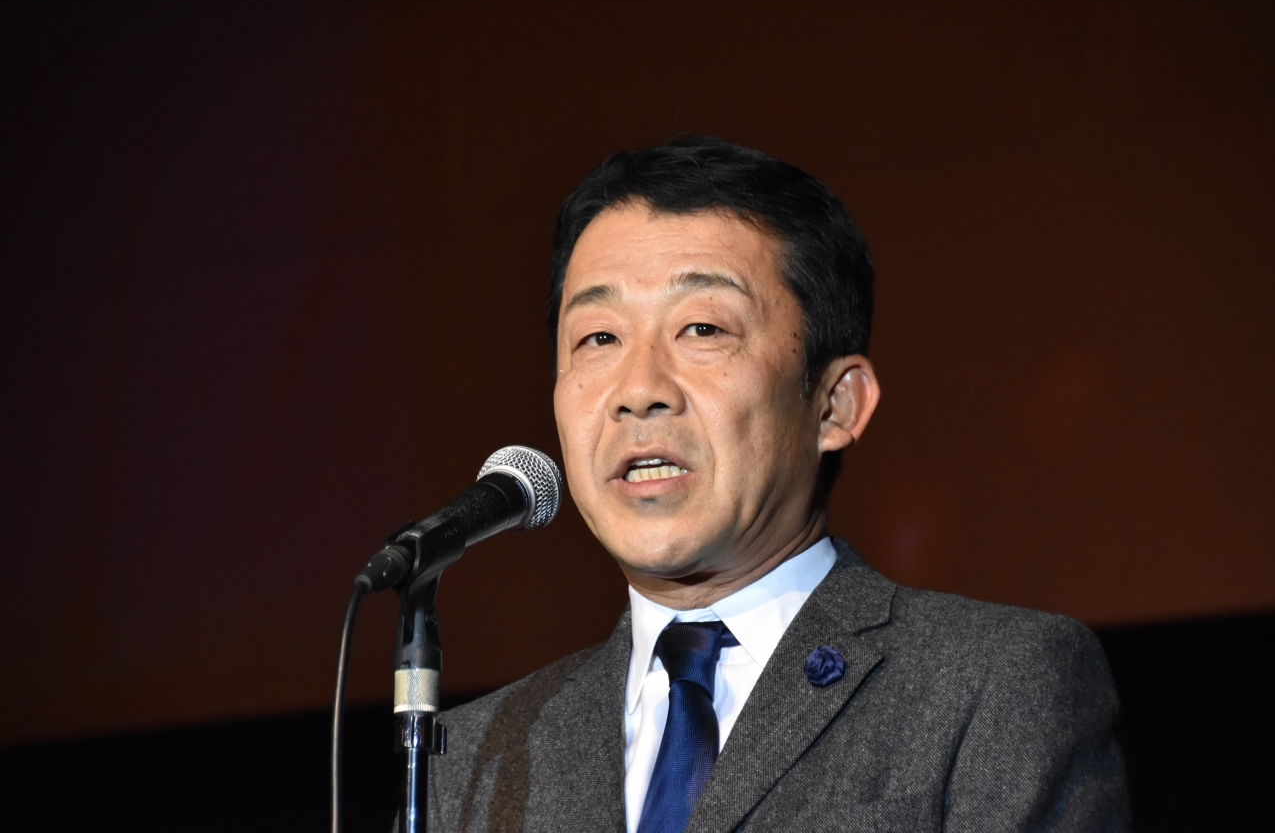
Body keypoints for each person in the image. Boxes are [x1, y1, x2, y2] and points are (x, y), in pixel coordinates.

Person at [426, 137, 1130, 832]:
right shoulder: (476, 760)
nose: (638, 390)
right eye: (599, 338)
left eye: (703, 328)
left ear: (835, 404)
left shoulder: (992, 686)